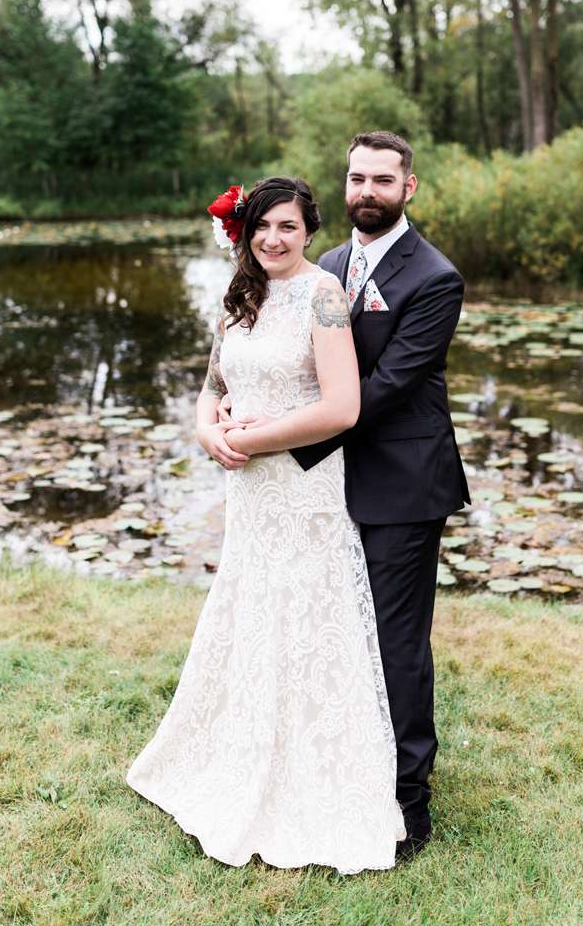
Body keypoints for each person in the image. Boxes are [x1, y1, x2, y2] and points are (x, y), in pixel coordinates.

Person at [126, 176, 406, 875]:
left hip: (302, 487)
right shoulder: (239, 296)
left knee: (305, 613)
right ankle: (239, 747)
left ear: (309, 231)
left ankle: (313, 772)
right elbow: (214, 386)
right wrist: (207, 431)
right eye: (262, 226)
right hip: (249, 494)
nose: (273, 239)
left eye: (287, 226)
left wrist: (252, 440)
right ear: (245, 231)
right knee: (252, 606)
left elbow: (342, 409)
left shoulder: (325, 295)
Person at [289, 131, 470, 859]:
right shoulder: (329, 266)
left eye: (382, 180)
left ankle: (408, 797)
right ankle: (345, 762)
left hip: (403, 482)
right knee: (340, 626)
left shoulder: (435, 278)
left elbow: (390, 384)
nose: (367, 191)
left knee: (397, 642)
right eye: (356, 177)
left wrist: (288, 440)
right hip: (332, 482)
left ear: (409, 187)